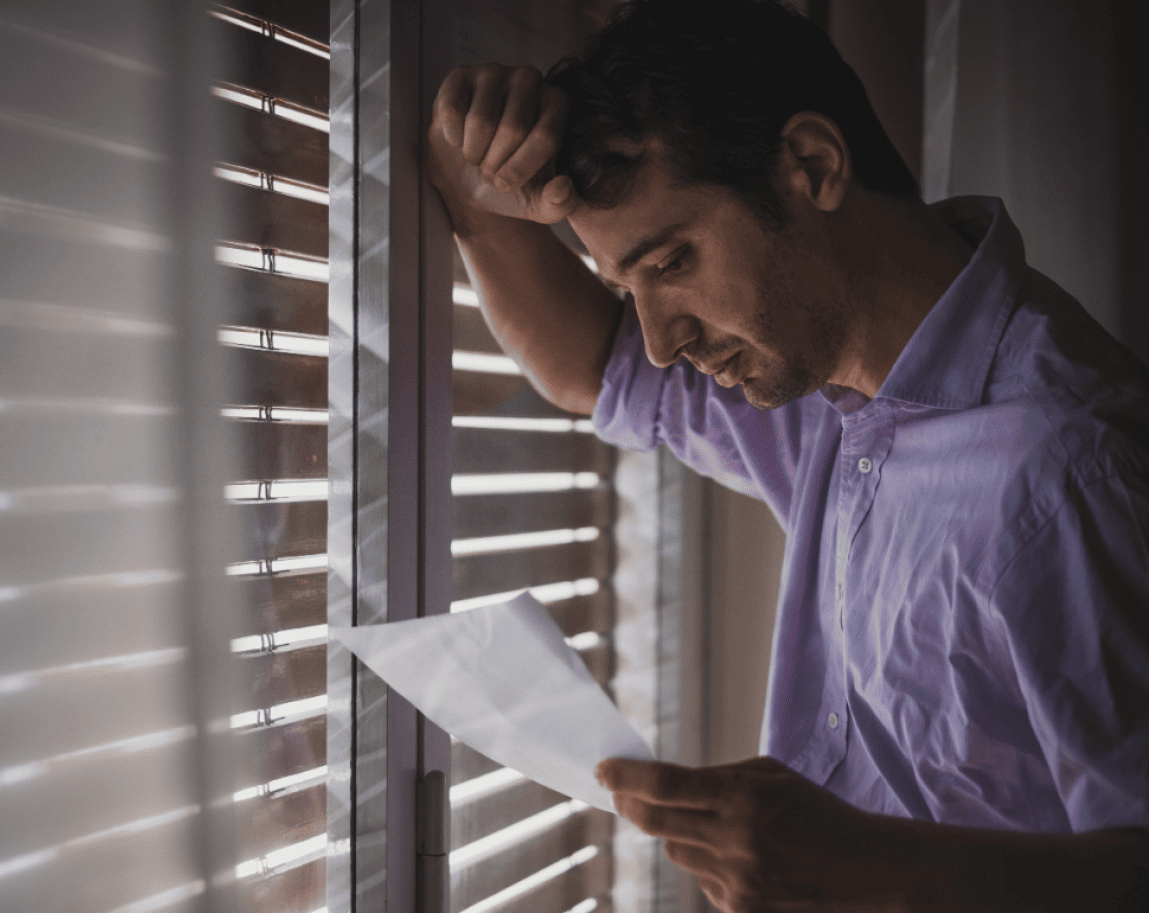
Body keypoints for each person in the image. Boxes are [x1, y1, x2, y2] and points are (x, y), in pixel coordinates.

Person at [426, 0, 1149, 910]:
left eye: (672, 262)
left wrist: (871, 873)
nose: (660, 340)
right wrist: (466, 172)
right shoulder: (819, 385)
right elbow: (591, 364)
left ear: (812, 165)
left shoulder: (1072, 465)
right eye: (627, 285)